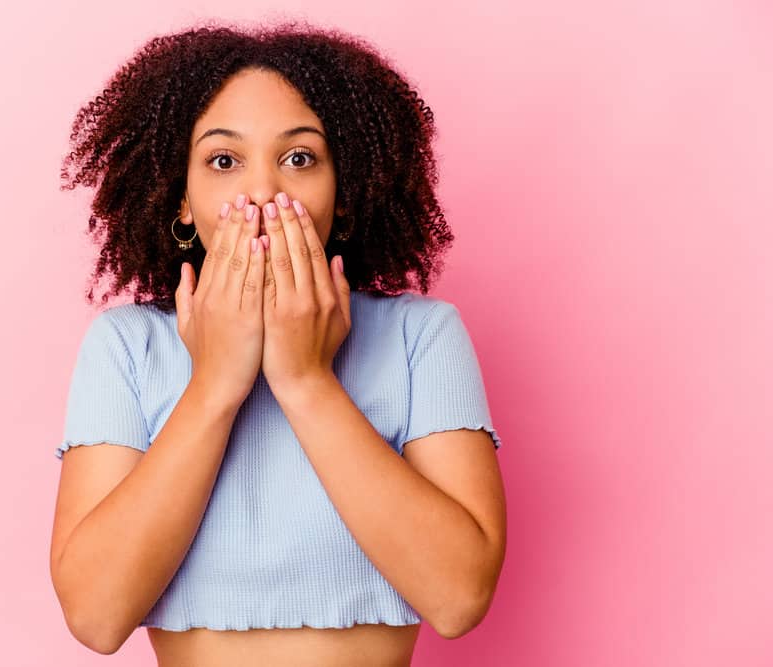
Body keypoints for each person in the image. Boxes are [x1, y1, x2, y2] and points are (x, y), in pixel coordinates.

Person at [49, 20, 507, 665]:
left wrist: (305, 379)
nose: (263, 193)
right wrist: (214, 384)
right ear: (182, 200)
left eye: (300, 158)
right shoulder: (126, 348)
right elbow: (96, 617)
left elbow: (459, 597)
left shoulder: (422, 337)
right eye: (223, 161)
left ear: (344, 197)